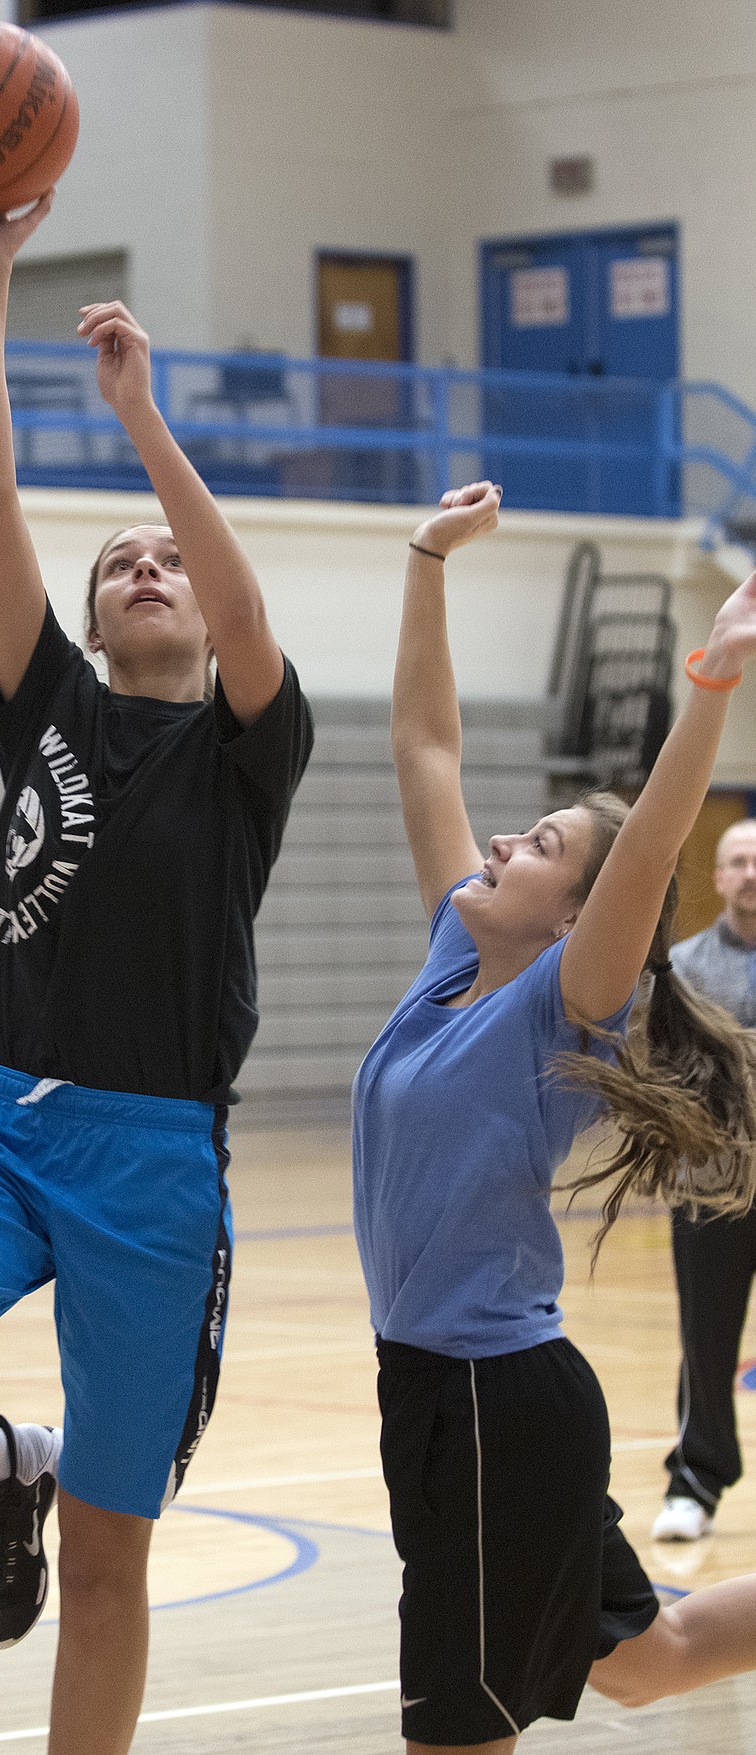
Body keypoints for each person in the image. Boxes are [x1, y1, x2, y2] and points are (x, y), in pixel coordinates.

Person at [0, 189, 312, 1755]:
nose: (148, 566)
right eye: (121, 560)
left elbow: (244, 610)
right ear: (91, 621)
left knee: (108, 1569)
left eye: (167, 556)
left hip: (153, 1162)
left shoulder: (247, 749)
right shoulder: (51, 710)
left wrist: (145, 421)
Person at [353, 481, 756, 1753]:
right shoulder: (443, 957)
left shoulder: (558, 1006)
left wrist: (711, 687)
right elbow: (425, 746)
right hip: (454, 1393)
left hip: (488, 1406)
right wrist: (425, 559)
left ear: (578, 923)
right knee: (650, 1662)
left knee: (456, 1740)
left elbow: (647, 854)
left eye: (535, 848)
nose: (501, 842)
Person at [653, 817, 756, 1541]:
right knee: (708, 1335)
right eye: (737, 861)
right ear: (718, 877)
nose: (750, 872)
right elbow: (660, 1073)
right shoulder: (682, 967)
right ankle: (695, 1480)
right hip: (712, 1186)